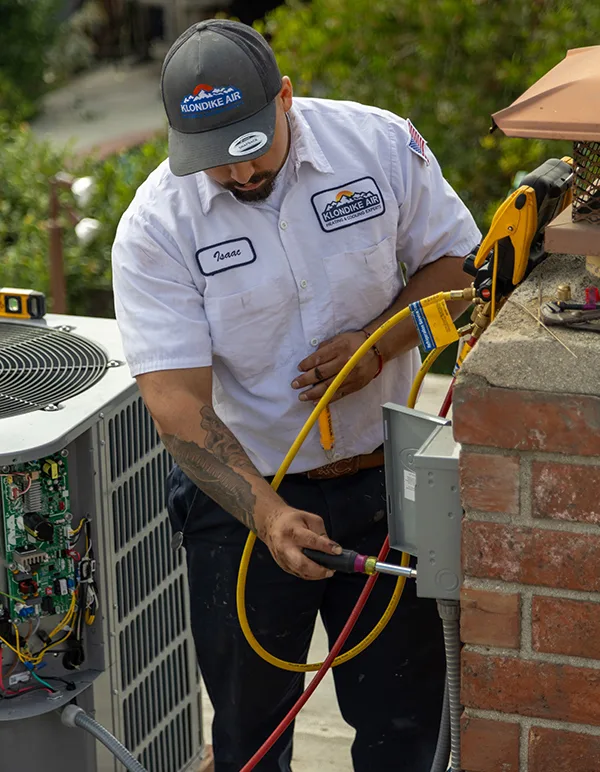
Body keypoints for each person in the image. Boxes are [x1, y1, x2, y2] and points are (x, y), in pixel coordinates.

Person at [112, 19, 481, 772]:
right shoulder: (155, 227)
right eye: (218, 165)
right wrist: (269, 515)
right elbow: (176, 405)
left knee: (405, 730)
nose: (243, 177)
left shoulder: (377, 147)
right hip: (243, 503)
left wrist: (379, 342)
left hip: (385, 487)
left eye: (254, 152)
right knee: (253, 735)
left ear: (284, 98)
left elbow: (460, 265)